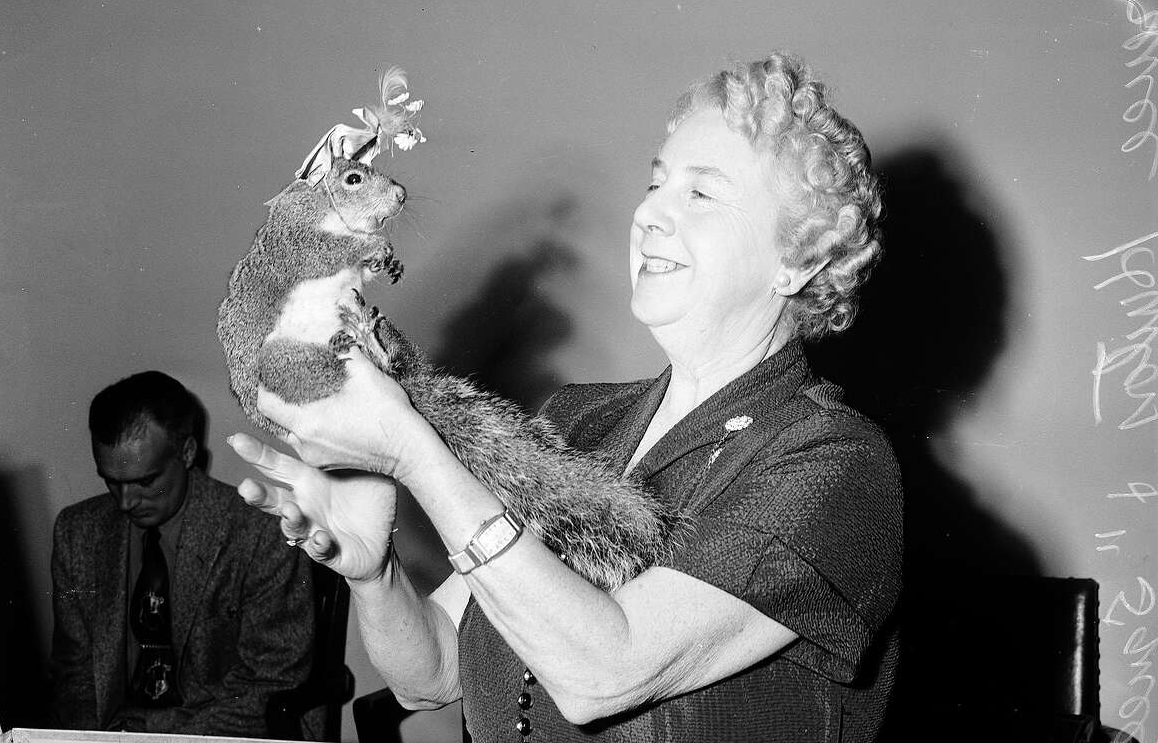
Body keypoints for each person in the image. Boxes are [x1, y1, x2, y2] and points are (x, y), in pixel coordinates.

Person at [230, 52, 902, 741]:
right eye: (656, 181)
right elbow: (428, 672)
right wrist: (374, 574)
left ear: (799, 259)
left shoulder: (835, 466)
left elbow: (603, 673)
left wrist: (417, 457)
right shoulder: (579, 420)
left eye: (700, 194)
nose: (649, 215)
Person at [49, 370, 317, 737]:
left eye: (146, 482)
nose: (126, 502)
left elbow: (273, 682)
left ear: (187, 453)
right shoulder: (76, 533)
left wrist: (156, 733)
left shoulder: (259, 533)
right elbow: (74, 675)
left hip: (223, 733)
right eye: (111, 481)